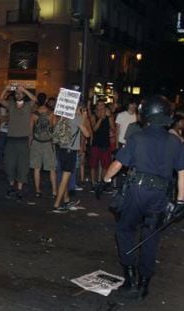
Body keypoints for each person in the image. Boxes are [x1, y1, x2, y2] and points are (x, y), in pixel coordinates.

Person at [101, 95, 184, 300]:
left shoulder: (137, 137)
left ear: (146, 114)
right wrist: (181, 201)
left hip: (137, 191)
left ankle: (129, 278)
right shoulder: (175, 141)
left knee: (125, 230)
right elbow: (182, 173)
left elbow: (118, 164)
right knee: (151, 236)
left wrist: (104, 180)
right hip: (160, 195)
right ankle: (144, 283)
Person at [0, 85, 37, 201]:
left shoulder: (28, 106)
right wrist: (6, 88)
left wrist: (24, 89)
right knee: (9, 164)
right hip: (11, 139)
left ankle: (19, 189)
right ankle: (11, 187)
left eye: (20, 94)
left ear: (24, 95)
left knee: (22, 165)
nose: (18, 95)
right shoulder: (11, 105)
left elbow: (35, 100)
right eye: (17, 93)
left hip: (23, 139)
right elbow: (0, 100)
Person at [53, 106, 90, 212]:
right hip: (70, 152)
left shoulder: (62, 118)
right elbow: (87, 133)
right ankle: (57, 204)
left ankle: (66, 200)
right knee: (65, 179)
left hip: (61, 150)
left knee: (65, 177)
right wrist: (84, 117)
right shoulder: (76, 118)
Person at [29, 93, 57, 198]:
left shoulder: (33, 114)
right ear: (46, 101)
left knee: (36, 168)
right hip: (48, 143)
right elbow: (54, 128)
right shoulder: (51, 113)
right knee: (52, 168)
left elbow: (30, 131)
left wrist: (29, 143)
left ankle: (37, 191)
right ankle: (54, 191)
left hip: (36, 142)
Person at [89, 100, 115, 187]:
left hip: (105, 144)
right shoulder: (93, 116)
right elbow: (94, 129)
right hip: (96, 144)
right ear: (96, 107)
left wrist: (110, 116)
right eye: (99, 105)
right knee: (93, 166)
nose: (100, 107)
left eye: (102, 105)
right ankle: (93, 184)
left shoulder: (109, 116)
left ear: (104, 107)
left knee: (105, 166)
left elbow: (113, 127)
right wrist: (100, 118)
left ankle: (101, 183)